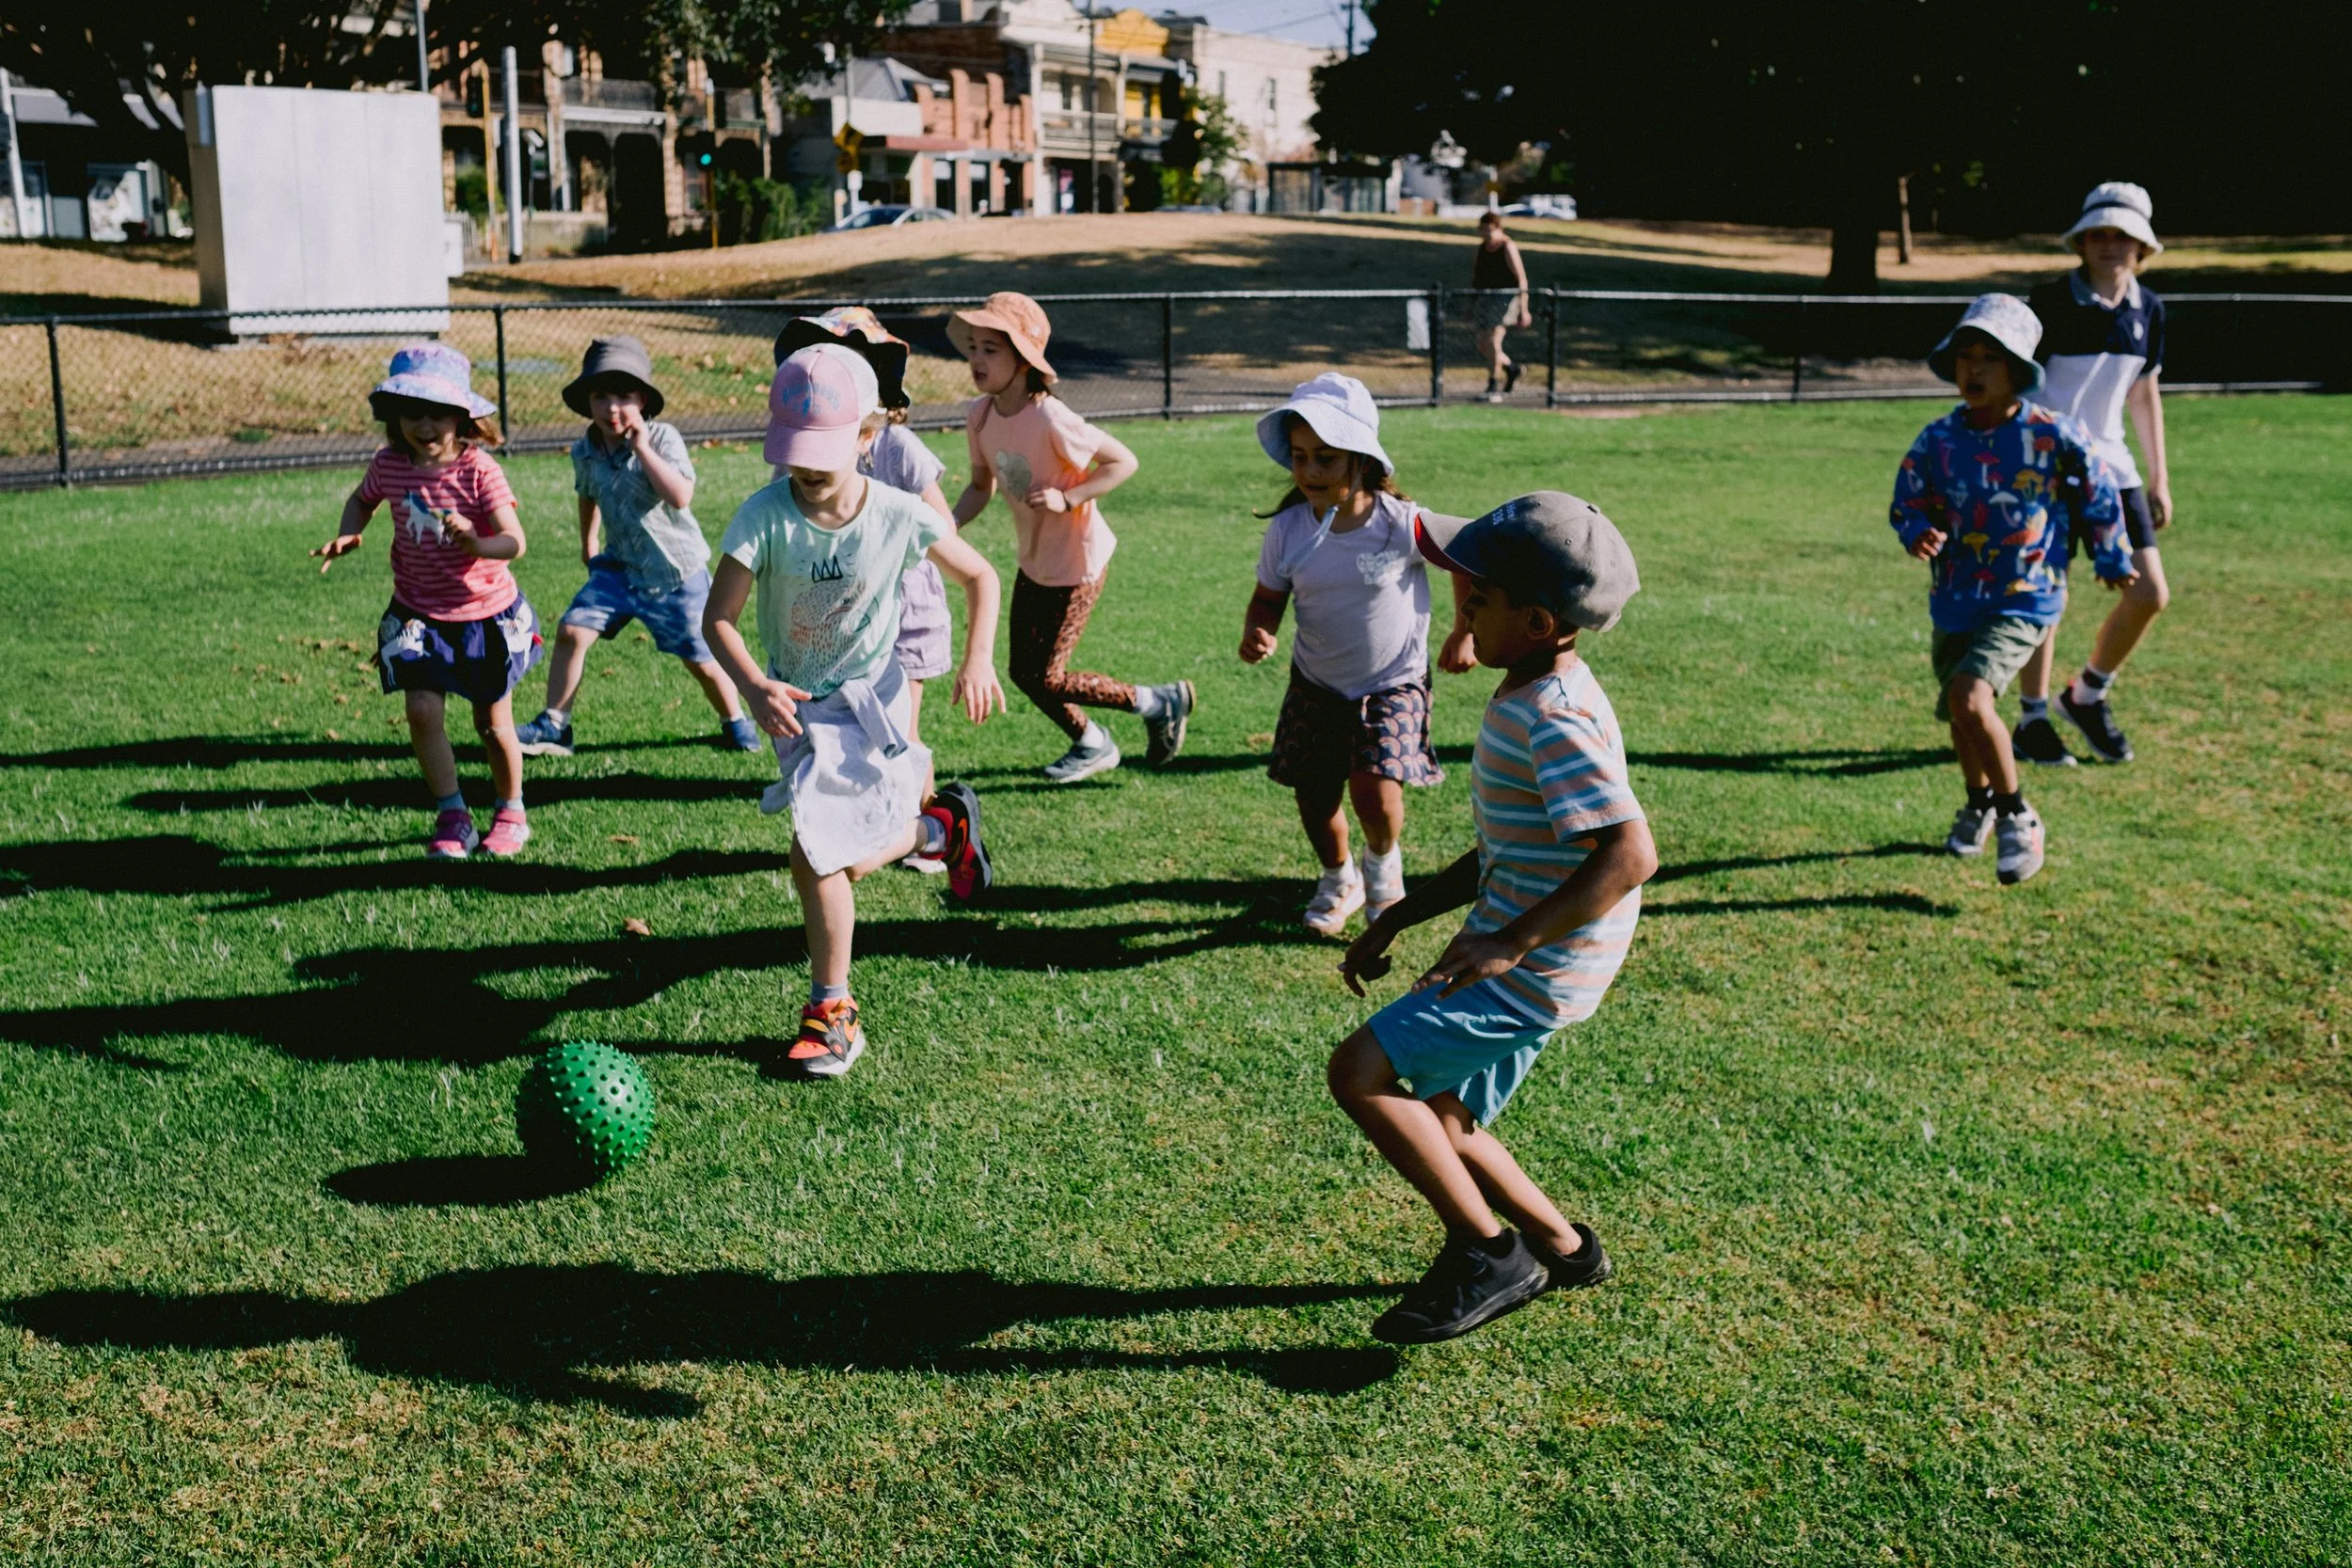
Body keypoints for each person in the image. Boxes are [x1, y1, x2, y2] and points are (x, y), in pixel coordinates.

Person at [1332, 492, 1651, 1345]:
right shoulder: (1536, 689)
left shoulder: (1552, 719)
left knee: (1358, 1070)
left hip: (1538, 963)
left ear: (1539, 619)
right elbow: (1513, 847)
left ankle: (1490, 1252)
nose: (1462, 609)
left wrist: (1511, 941)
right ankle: (1564, 1244)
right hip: (1538, 954)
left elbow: (1629, 854)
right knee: (1442, 1116)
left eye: (1479, 600)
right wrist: (1402, 911)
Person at [704, 344, 1006, 1079]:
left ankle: (832, 1012)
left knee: (816, 856)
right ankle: (933, 826)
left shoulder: (900, 514)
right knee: (821, 858)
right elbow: (718, 618)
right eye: (795, 453)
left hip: (873, 700)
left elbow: (983, 575)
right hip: (797, 706)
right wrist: (752, 684)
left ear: (870, 435)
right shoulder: (764, 516)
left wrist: (976, 658)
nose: (804, 470)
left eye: (824, 454)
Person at [1888, 294, 2133, 886]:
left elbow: (2098, 492)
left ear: (2019, 369)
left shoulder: (2052, 435)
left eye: (1990, 359)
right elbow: (1908, 498)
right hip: (1955, 594)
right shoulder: (1938, 438)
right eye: (1965, 357)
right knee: (1959, 710)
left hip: (2026, 591)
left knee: (1973, 699)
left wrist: (2110, 551)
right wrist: (1917, 530)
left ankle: (2017, 814)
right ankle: (1977, 803)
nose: (1974, 369)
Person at [1239, 373, 1471, 936]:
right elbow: (1269, 597)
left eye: (1325, 457)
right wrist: (1258, 630)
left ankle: (1383, 865)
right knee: (1315, 798)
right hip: (1316, 683)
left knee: (1375, 787)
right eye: (1299, 457)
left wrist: (1464, 630)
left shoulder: (1401, 524)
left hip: (1392, 682)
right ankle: (1338, 876)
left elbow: (1464, 555)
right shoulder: (1289, 530)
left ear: (1362, 461)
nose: (1310, 471)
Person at [948, 291, 1194, 783]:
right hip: (1034, 559)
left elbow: (1124, 461)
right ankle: (1092, 742)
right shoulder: (981, 415)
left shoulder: (1051, 418)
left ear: (1022, 360)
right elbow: (981, 486)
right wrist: (943, 529)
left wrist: (1069, 499)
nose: (976, 358)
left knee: (1049, 676)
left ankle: (1157, 703)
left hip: (1078, 562)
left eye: (990, 350)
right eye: (973, 346)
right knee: (1024, 672)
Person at [312, 344, 539, 862]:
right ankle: (452, 812)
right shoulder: (389, 465)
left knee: (491, 725)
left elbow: (515, 541)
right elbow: (361, 499)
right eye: (412, 412)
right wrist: (349, 534)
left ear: (462, 417)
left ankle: (510, 810)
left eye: (438, 412)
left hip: (483, 616)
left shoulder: (479, 471)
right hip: (417, 613)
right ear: (395, 417)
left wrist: (478, 544)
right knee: (420, 710)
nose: (425, 424)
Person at [516, 337, 758, 758]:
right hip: (618, 569)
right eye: (601, 396)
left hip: (675, 574)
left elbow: (680, 495)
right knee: (572, 630)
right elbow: (586, 493)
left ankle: (734, 720)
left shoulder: (663, 438)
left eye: (624, 396)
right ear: (586, 403)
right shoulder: (585, 450)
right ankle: (556, 724)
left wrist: (642, 447)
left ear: (643, 399)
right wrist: (588, 540)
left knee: (701, 659)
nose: (612, 408)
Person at [772, 308, 961, 839]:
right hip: (840, 622)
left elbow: (943, 529)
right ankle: (862, 826)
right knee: (842, 735)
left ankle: (932, 826)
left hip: (908, 616)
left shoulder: (896, 447)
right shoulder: (801, 451)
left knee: (901, 733)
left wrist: (882, 545)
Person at [2012, 182, 2174, 767]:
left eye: (2123, 235)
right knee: (2045, 596)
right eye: (2100, 233)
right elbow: (2018, 387)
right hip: (2047, 470)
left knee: (2151, 592)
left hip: (2116, 470)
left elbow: (2144, 392)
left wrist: (2159, 478)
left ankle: (2086, 696)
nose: (2111, 244)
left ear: (2143, 247)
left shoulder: (2149, 310)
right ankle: (2032, 719)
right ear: (2081, 241)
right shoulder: (2048, 304)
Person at [1470, 211, 1533, 403]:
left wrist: (1524, 307)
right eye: (1483, 231)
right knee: (1482, 344)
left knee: (1494, 341)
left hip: (1505, 298)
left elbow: (1521, 278)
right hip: (1486, 297)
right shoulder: (1482, 249)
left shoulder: (1507, 246)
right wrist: (1470, 305)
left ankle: (1493, 385)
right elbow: (1477, 279)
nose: (1487, 235)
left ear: (1498, 229)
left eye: (1490, 231)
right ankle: (1511, 368)